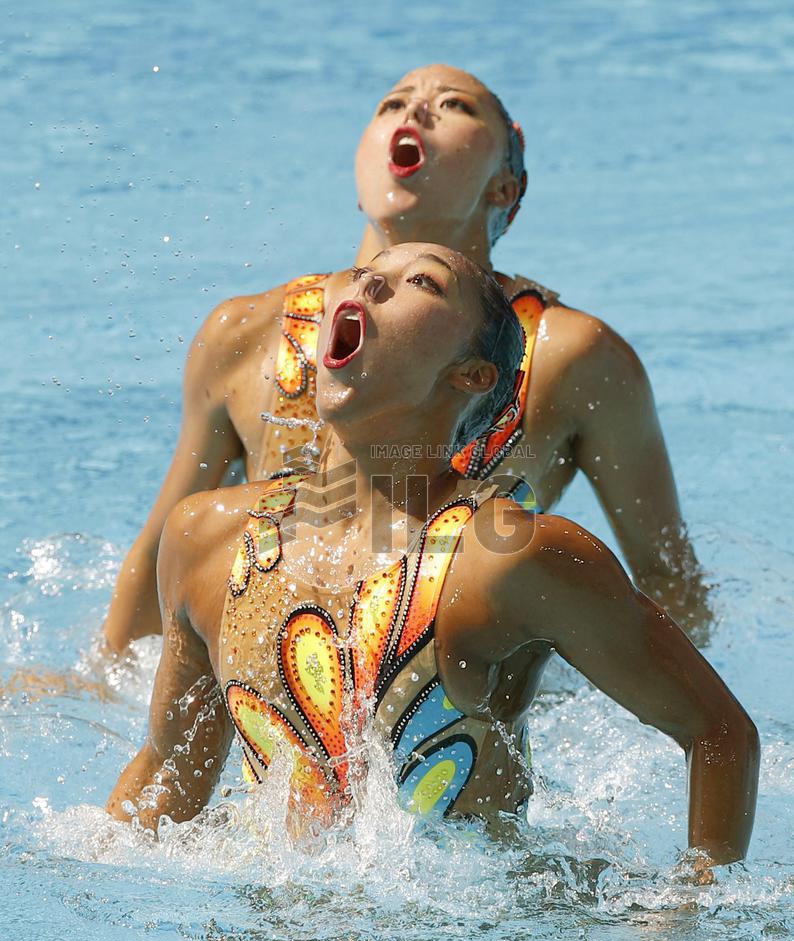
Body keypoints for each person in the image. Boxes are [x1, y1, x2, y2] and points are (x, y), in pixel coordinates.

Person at [107, 245, 758, 871]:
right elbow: (166, 781)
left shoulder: (509, 558)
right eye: (364, 272)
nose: (369, 283)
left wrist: (691, 909)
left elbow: (720, 733)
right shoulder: (208, 539)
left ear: (472, 376)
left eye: (423, 281)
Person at [103, 64, 710, 655]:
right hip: (278, 690)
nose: (416, 109)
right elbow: (168, 553)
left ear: (505, 186)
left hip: (462, 713)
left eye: (455, 105)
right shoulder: (245, 335)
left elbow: (669, 579)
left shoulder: (570, 356)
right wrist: (103, 681)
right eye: (391, 103)